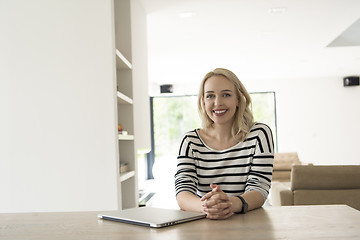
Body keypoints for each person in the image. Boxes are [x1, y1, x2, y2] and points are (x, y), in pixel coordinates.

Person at [174, 68, 274, 220]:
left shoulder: (259, 134)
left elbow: (259, 188)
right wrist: (208, 207)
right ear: (203, 101)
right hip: (204, 223)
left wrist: (229, 204)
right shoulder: (190, 141)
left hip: (248, 224)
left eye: (226, 95)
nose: (218, 102)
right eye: (210, 96)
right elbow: (183, 192)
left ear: (238, 100)